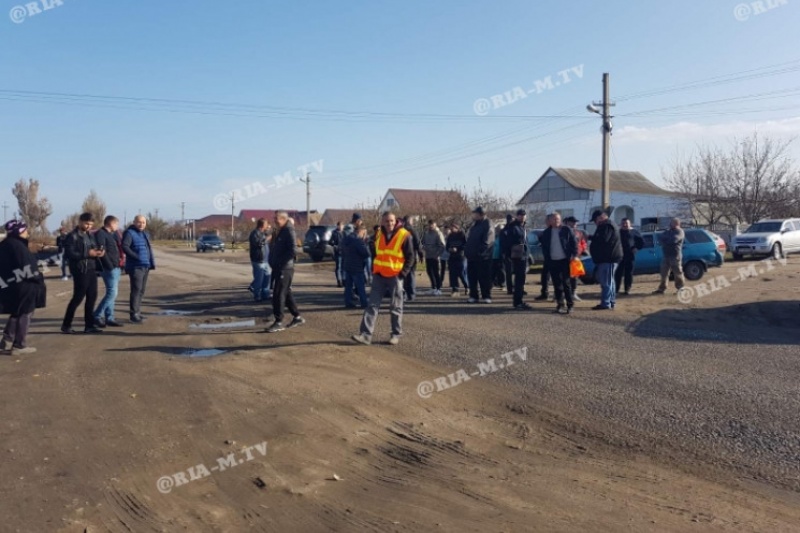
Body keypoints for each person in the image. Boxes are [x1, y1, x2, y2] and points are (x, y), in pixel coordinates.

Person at [352, 211, 414, 346]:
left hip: (395, 276)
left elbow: (410, 257)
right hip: (379, 275)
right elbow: (376, 252)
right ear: (382, 222)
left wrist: (403, 273)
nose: (389, 223)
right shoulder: (379, 234)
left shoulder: (404, 235)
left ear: (395, 221)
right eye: (386, 221)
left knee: (396, 306)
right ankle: (365, 335)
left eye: (391, 221)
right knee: (372, 305)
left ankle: (395, 335)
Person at [0, 220, 46, 354]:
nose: (27, 232)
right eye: (25, 230)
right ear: (19, 231)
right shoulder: (18, 246)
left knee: (17, 311)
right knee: (25, 312)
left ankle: (6, 341)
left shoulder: (5, 244)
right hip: (24, 284)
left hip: (13, 283)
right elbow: (27, 267)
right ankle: (19, 345)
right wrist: (37, 277)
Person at [62, 212, 105, 334]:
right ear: (80, 221)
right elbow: (69, 254)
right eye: (86, 223)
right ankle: (66, 325)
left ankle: (89, 325)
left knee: (92, 297)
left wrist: (98, 252)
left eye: (91, 224)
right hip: (80, 270)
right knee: (78, 298)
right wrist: (87, 254)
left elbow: (93, 247)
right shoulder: (73, 236)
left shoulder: (90, 235)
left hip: (91, 268)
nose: (88, 226)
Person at [266, 211, 305, 332]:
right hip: (279, 267)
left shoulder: (289, 230)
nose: (274, 221)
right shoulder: (281, 230)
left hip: (285, 268)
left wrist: (280, 262)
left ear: (283, 219)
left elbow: (293, 250)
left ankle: (278, 321)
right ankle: (297, 317)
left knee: (278, 294)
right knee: (286, 292)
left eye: (276, 219)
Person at [540, 212, 578, 314]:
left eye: (558, 219)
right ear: (550, 221)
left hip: (565, 260)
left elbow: (574, 243)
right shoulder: (547, 232)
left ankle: (570, 305)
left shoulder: (566, 230)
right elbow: (544, 247)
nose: (556, 221)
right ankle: (560, 304)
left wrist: (574, 255)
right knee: (557, 284)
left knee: (566, 283)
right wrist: (547, 258)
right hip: (553, 261)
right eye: (554, 219)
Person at [122, 215, 155, 324]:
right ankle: (133, 314)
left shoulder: (144, 234)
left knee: (141, 290)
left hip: (145, 265)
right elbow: (125, 246)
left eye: (144, 222)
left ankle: (138, 312)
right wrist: (135, 256)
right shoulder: (129, 233)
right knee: (136, 290)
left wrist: (151, 262)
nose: (141, 224)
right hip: (135, 267)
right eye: (139, 222)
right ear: (134, 222)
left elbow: (147, 249)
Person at [93, 215, 125, 328]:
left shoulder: (111, 235)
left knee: (112, 294)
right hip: (109, 268)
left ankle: (109, 317)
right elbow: (102, 251)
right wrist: (110, 265)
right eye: (116, 224)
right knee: (112, 293)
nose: (117, 226)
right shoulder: (101, 234)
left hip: (115, 267)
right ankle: (96, 315)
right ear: (111, 223)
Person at [589, 210, 623, 310]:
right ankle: (611, 301)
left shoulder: (606, 226)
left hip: (608, 258)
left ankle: (606, 303)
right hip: (610, 258)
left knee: (606, 282)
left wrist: (592, 237)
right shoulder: (610, 225)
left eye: (595, 220)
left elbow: (603, 240)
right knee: (610, 281)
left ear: (601, 217)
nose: (595, 223)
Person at [464, 206, 494, 304]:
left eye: (475, 213)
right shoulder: (474, 225)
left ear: (481, 214)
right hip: (472, 256)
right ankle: (473, 296)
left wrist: (480, 252)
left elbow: (487, 241)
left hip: (483, 257)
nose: (473, 215)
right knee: (472, 277)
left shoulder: (487, 224)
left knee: (484, 277)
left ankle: (486, 296)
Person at [505, 209, 531, 309]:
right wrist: (509, 253)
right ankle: (518, 302)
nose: (522, 216)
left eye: (524, 215)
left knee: (521, 279)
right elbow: (507, 241)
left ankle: (518, 300)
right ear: (517, 216)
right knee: (519, 279)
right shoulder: (513, 227)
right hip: (517, 255)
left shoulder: (523, 226)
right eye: (520, 215)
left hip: (523, 255)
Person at [654, 218, 686, 294]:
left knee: (677, 272)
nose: (670, 224)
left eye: (672, 223)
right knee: (663, 273)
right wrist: (666, 240)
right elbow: (659, 238)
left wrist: (665, 240)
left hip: (675, 255)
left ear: (676, 223)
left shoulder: (680, 231)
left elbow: (674, 240)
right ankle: (662, 289)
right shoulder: (667, 231)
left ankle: (680, 288)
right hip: (666, 255)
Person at [341, 224, 370, 308]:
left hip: (347, 265)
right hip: (357, 266)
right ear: (360, 231)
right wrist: (364, 243)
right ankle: (364, 303)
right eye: (364, 233)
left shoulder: (345, 239)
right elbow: (366, 253)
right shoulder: (358, 241)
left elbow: (342, 252)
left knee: (348, 286)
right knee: (360, 286)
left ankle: (348, 302)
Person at [616, 218, 645, 296]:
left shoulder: (634, 232)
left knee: (628, 273)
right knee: (618, 273)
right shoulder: (618, 232)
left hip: (630, 255)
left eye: (626, 223)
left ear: (630, 224)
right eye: (623, 223)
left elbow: (642, 242)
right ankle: (616, 290)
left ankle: (627, 289)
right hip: (619, 255)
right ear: (621, 224)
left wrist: (636, 248)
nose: (625, 225)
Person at [248, 218, 272, 302]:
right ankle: (257, 295)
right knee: (259, 279)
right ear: (262, 225)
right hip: (258, 260)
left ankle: (265, 294)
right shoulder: (255, 233)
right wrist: (268, 238)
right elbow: (259, 243)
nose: (267, 226)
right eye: (266, 224)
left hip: (265, 260)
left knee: (267, 277)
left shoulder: (263, 233)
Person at [563, 216, 586, 301]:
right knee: (565, 276)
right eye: (572, 222)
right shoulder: (563, 231)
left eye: (575, 222)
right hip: (565, 257)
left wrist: (582, 250)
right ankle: (562, 293)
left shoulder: (579, 233)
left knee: (575, 276)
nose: (574, 223)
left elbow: (583, 243)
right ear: (567, 222)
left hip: (576, 257)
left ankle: (573, 293)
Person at [401, 215, 423, 302]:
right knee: (411, 274)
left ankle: (406, 293)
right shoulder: (412, 230)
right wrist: (421, 254)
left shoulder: (401, 230)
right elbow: (417, 243)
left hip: (402, 256)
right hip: (411, 255)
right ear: (410, 221)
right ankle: (411, 294)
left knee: (405, 275)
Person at [421, 219, 445, 295]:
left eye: (432, 225)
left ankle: (438, 288)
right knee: (429, 272)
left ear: (435, 225)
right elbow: (423, 242)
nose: (430, 226)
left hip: (435, 256)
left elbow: (442, 246)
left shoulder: (438, 234)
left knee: (436, 272)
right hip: (428, 256)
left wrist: (437, 254)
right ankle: (433, 287)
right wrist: (423, 248)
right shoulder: (426, 233)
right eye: (429, 225)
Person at [534, 214, 554, 302]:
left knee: (556, 277)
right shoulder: (546, 231)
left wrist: (541, 238)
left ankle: (557, 295)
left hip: (554, 257)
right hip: (548, 258)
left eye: (547, 220)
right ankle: (545, 293)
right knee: (545, 276)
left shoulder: (555, 231)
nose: (546, 222)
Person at [445, 222, 468, 296]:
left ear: (457, 228)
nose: (451, 229)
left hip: (461, 256)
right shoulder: (450, 236)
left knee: (462, 273)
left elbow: (466, 245)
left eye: (453, 228)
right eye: (451, 228)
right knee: (453, 274)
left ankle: (467, 286)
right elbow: (447, 246)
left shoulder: (462, 235)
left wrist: (458, 249)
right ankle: (455, 290)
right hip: (452, 257)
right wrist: (449, 249)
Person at [499, 214, 514, 295]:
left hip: (513, 253)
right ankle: (510, 288)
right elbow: (502, 243)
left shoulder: (507, 229)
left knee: (511, 272)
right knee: (509, 272)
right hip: (508, 253)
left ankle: (512, 288)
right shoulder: (505, 230)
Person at [330, 221, 345, 288]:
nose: (341, 227)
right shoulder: (334, 233)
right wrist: (334, 245)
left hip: (344, 252)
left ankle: (343, 280)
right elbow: (330, 242)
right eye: (340, 226)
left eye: (342, 226)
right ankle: (339, 281)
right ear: (338, 226)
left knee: (343, 267)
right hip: (338, 252)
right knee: (338, 266)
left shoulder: (344, 233)